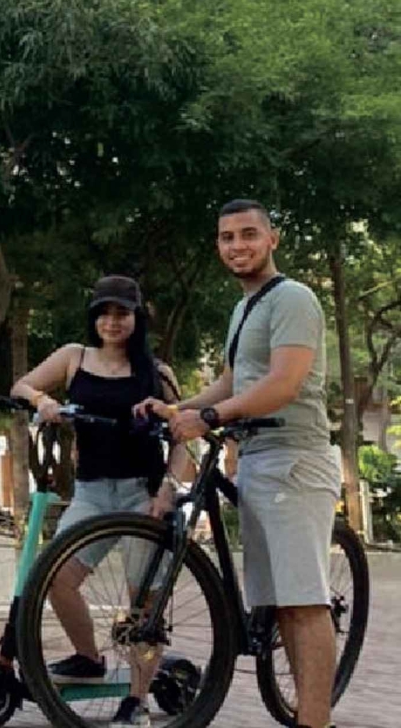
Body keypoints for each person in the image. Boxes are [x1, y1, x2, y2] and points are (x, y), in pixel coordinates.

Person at [142, 200, 340, 728]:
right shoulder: (243, 308)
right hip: (256, 459)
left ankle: (316, 722)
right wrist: (179, 408)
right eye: (228, 238)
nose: (238, 245)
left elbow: (282, 384)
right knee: (279, 602)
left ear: (272, 239)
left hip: (294, 459)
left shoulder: (293, 298)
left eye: (249, 234)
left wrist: (209, 417)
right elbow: (235, 382)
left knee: (303, 602)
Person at [11, 275, 191, 728]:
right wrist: (42, 401)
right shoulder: (74, 358)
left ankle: (137, 699)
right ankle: (88, 658)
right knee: (54, 576)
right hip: (91, 490)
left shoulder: (157, 372)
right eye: (104, 313)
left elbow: (184, 438)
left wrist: (169, 491)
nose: (112, 321)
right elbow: (21, 386)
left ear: (137, 318)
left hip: (142, 492)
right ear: (94, 317)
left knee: (143, 605)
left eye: (122, 313)